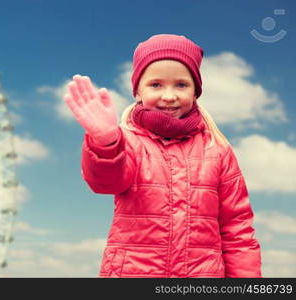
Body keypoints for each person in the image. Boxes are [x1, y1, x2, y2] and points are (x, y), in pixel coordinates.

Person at [64, 34, 262, 278]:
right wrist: (105, 141)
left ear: (196, 92)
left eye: (181, 84)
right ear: (137, 90)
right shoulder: (128, 142)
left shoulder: (217, 149)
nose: (169, 95)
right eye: (156, 85)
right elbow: (106, 182)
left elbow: (237, 230)